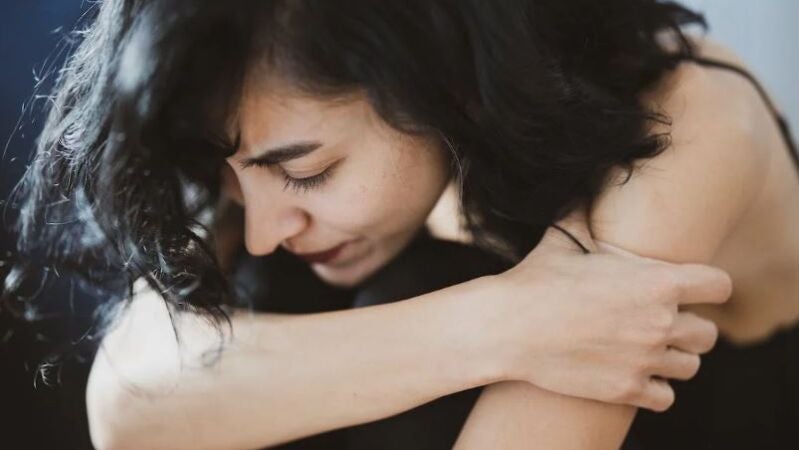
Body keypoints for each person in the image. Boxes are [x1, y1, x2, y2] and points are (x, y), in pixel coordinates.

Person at [5, 0, 796, 449]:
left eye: (307, 172)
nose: (264, 227)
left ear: (441, 82)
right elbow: (128, 400)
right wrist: (506, 323)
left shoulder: (686, 123)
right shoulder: (256, 104)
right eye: (228, 178)